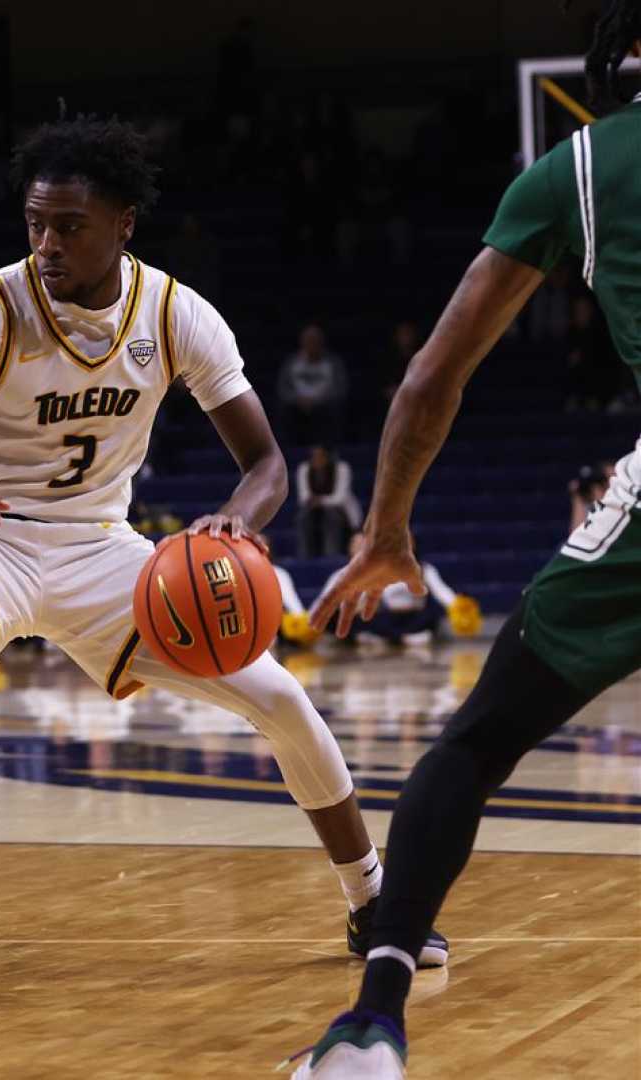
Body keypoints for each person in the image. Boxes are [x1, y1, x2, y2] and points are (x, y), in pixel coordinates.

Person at [0, 118, 445, 975]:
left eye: (70, 226)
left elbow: (266, 464)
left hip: (103, 550)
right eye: (36, 224)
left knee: (279, 697)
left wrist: (238, 521)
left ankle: (372, 902)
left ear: (124, 223)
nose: (48, 244)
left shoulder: (175, 315)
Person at [295, 6, 641, 1075]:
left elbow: (429, 377)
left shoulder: (573, 169)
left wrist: (388, 531)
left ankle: (372, 1020)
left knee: (477, 741)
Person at [319, 534, 476, 646]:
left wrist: (458, 606)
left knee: (428, 617)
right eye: (355, 545)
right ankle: (381, 637)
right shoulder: (371, 570)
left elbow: (442, 592)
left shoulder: (424, 569)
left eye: (408, 540)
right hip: (381, 617)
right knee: (370, 619)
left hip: (412, 616)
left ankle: (405, 636)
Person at [278, 323, 348, 446]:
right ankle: (289, 450)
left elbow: (340, 389)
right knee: (285, 411)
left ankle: (328, 450)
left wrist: (317, 401)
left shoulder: (332, 363)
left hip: (324, 404)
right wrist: (297, 400)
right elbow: (283, 389)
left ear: (321, 342)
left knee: (333, 410)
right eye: (308, 341)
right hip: (298, 406)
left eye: (315, 341)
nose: (311, 344)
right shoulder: (292, 363)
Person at [295, 445, 362, 556]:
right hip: (313, 511)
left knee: (331, 515)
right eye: (314, 456)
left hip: (341, 512)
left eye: (321, 456)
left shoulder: (341, 468)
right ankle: (305, 555)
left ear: (328, 457)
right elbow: (303, 498)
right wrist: (318, 502)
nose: (317, 459)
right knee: (302, 516)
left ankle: (331, 555)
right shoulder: (304, 469)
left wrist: (319, 501)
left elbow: (339, 498)